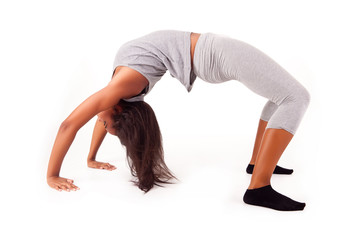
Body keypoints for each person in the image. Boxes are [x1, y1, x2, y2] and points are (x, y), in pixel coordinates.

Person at [47, 30, 310, 211]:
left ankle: (258, 171)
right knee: (293, 96)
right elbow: (103, 118)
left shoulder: (120, 89)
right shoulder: (120, 94)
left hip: (213, 52)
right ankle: (258, 186)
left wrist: (52, 175)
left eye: (105, 125)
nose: (100, 122)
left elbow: (68, 125)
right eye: (105, 126)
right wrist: (90, 158)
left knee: (290, 96)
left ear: (117, 110)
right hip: (211, 52)